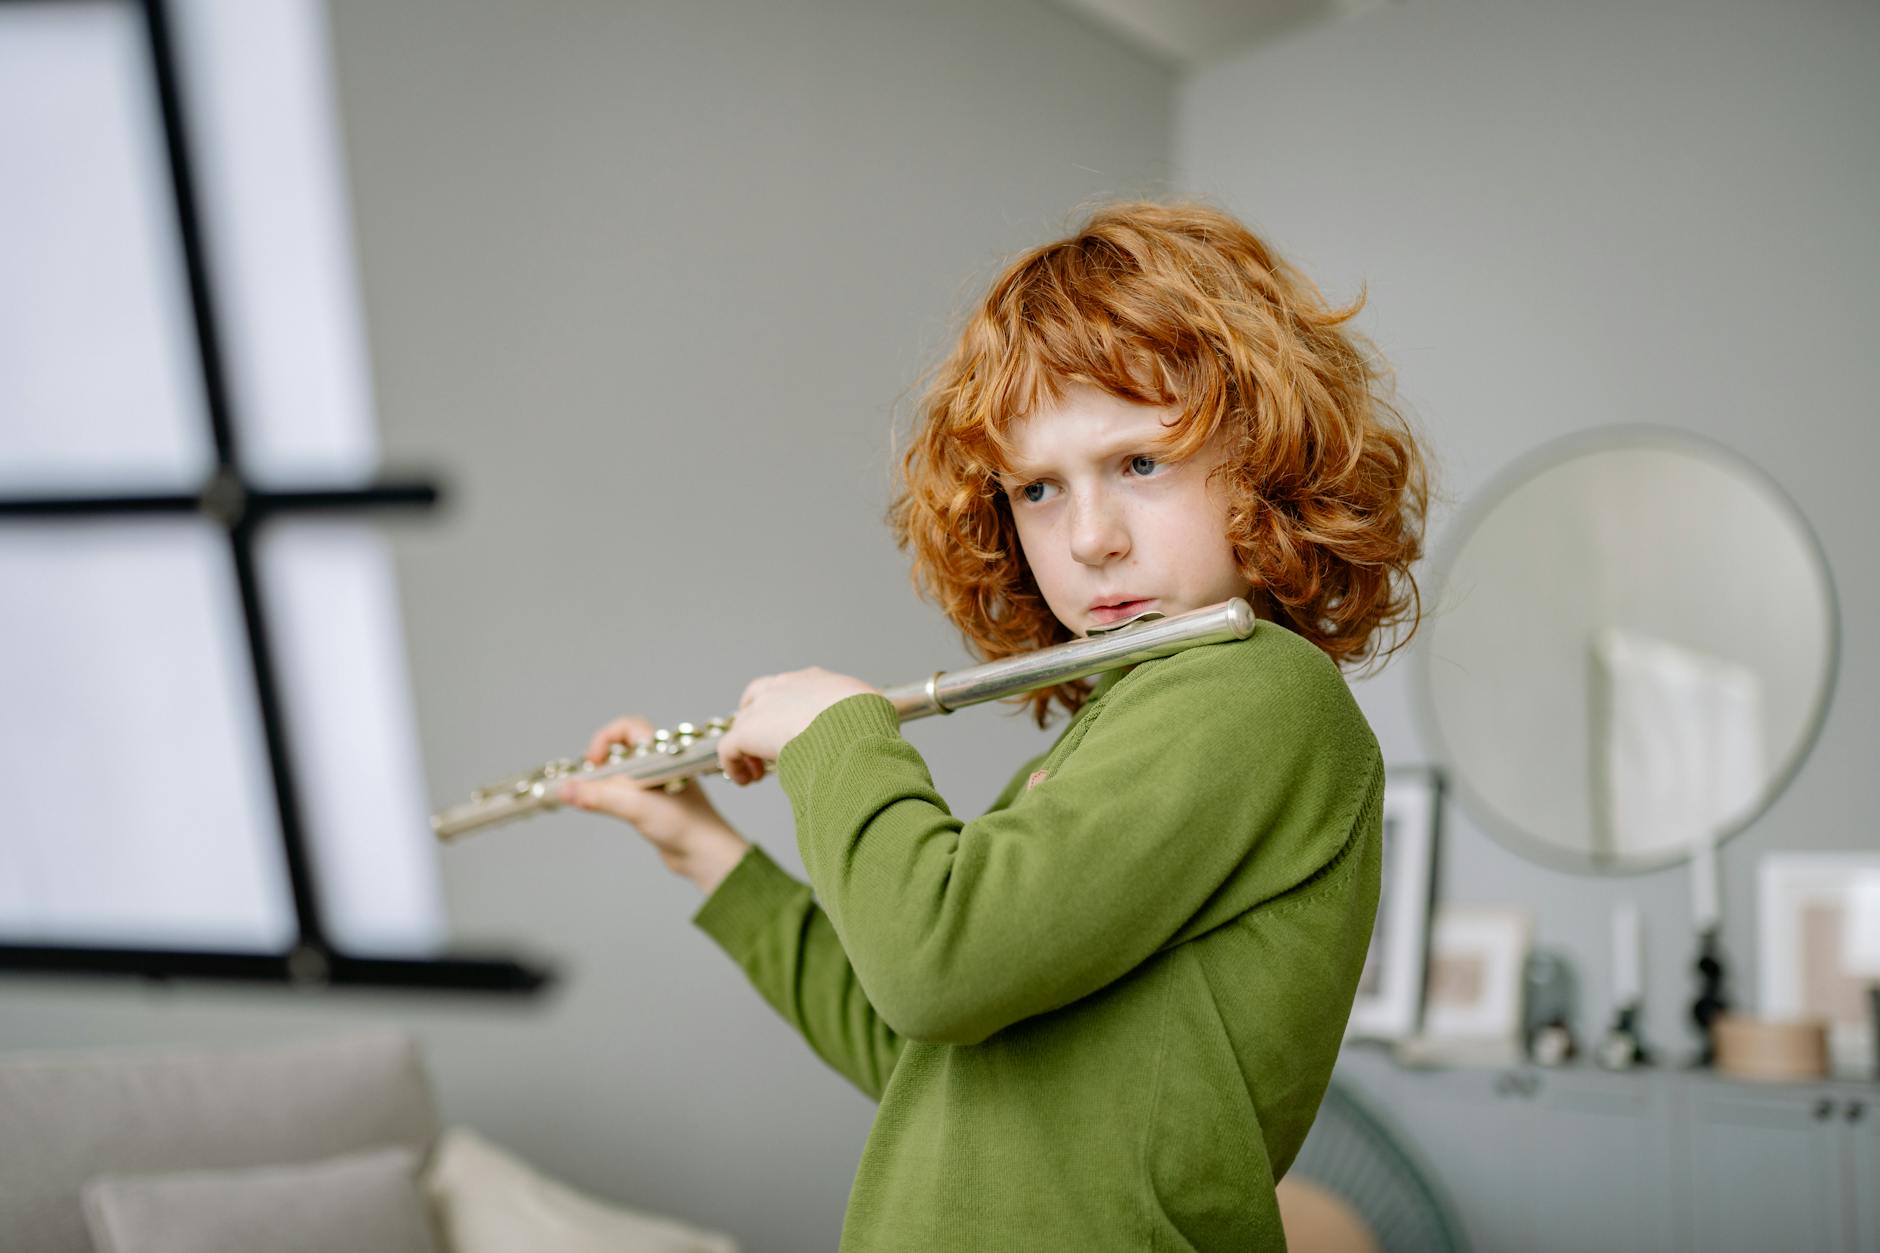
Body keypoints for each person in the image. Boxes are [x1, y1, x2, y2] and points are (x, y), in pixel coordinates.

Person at [559, 200, 1431, 1251]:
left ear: (1264, 454)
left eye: (1139, 463)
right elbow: (925, 1049)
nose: (1092, 537)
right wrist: (703, 849)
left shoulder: (1253, 694)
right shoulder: (1130, 720)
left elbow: (935, 962)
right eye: (1037, 488)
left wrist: (843, 734)